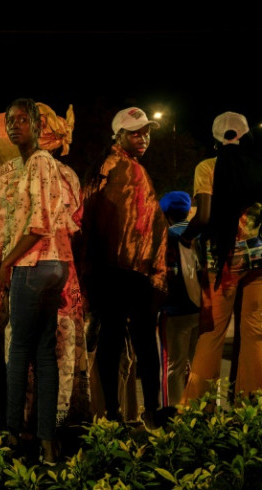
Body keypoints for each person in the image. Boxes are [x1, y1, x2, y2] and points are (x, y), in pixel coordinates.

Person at [0, 99, 77, 463]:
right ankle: (46, 442)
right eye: (10, 121)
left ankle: (12, 436)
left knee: (19, 352)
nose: (14, 126)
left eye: (22, 120)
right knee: (43, 353)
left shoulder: (40, 162)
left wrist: (6, 263)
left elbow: (38, 223)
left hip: (35, 263)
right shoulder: (35, 165)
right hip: (54, 264)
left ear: (39, 125)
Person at [80, 107, 167, 429]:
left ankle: (116, 414)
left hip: (112, 269)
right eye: (135, 132)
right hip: (126, 270)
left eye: (146, 132)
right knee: (137, 340)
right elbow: (101, 219)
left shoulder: (111, 168)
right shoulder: (118, 168)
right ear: (118, 135)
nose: (143, 138)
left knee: (115, 338)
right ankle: (147, 412)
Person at [180, 112, 262, 404]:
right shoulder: (257, 167)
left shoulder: (207, 167)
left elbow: (203, 217)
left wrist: (185, 238)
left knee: (211, 334)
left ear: (215, 139)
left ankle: (196, 409)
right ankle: (250, 406)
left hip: (221, 263)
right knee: (254, 333)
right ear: (244, 135)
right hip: (257, 261)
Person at [157, 191, 200, 408]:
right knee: (196, 364)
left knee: (172, 366)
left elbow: (167, 274)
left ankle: (171, 412)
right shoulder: (198, 232)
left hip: (174, 310)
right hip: (199, 307)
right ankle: (194, 411)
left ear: (165, 213)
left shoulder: (167, 235)